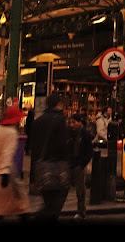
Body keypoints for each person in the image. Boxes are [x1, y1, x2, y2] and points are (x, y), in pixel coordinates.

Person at [30, 93, 70, 223]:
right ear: (59, 104)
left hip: (42, 166)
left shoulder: (37, 121)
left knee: (48, 198)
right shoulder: (60, 119)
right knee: (57, 200)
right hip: (57, 166)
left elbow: (33, 145)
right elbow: (62, 144)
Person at [67, 113, 93, 221]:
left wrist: (82, 164)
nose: (72, 125)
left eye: (74, 122)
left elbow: (89, 151)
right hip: (69, 164)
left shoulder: (85, 134)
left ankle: (81, 211)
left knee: (80, 190)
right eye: (70, 122)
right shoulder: (68, 134)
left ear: (79, 122)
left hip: (79, 165)